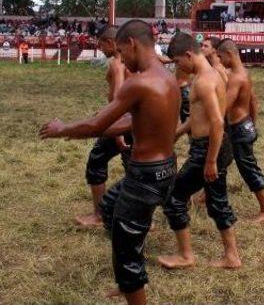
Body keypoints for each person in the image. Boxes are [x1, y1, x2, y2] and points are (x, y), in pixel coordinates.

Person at [39, 19, 180, 304]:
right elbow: (130, 121)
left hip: (144, 177)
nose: (121, 59)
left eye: (121, 52)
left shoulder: (138, 83)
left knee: (126, 249)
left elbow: (95, 125)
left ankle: (132, 284)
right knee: (111, 208)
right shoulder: (168, 77)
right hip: (165, 169)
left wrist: (62, 129)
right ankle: (130, 285)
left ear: (132, 44)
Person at [158, 33, 241, 270]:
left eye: (177, 61)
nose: (178, 67)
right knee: (217, 199)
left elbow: (216, 121)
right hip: (219, 144)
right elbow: (199, 117)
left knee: (174, 198)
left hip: (207, 149)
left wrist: (211, 161)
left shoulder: (203, 81)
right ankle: (232, 256)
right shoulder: (215, 74)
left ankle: (186, 255)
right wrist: (177, 133)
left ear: (188, 55)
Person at [74, 26, 130, 228]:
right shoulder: (132, 61)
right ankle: (140, 217)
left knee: (96, 160)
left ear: (110, 43)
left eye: (101, 44)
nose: (100, 49)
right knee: (133, 168)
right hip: (134, 119)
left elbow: (117, 98)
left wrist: (116, 129)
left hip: (122, 121)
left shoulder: (117, 64)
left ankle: (98, 215)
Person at [217, 39, 264, 223]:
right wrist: (253, 124)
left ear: (229, 54)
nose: (219, 59)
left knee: (248, 169)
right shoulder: (244, 73)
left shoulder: (236, 77)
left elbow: (225, 106)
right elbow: (252, 101)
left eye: (220, 56)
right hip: (243, 125)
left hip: (240, 129)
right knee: (222, 162)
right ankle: (206, 195)